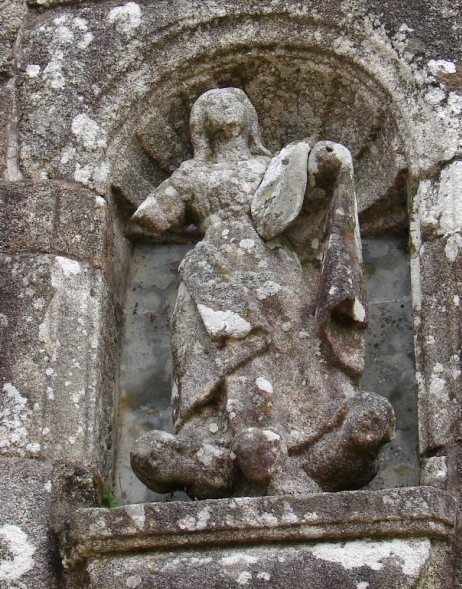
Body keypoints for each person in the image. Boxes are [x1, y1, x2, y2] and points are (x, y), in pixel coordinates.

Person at [126, 87, 395, 499]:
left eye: (231, 101)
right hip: (211, 272)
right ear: (199, 122)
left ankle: (302, 436)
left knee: (291, 345)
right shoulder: (190, 174)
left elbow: (304, 203)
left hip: (273, 268)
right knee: (216, 355)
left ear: (249, 116)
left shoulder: (273, 165)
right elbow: (150, 218)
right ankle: (217, 437)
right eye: (212, 103)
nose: (223, 107)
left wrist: (325, 164)